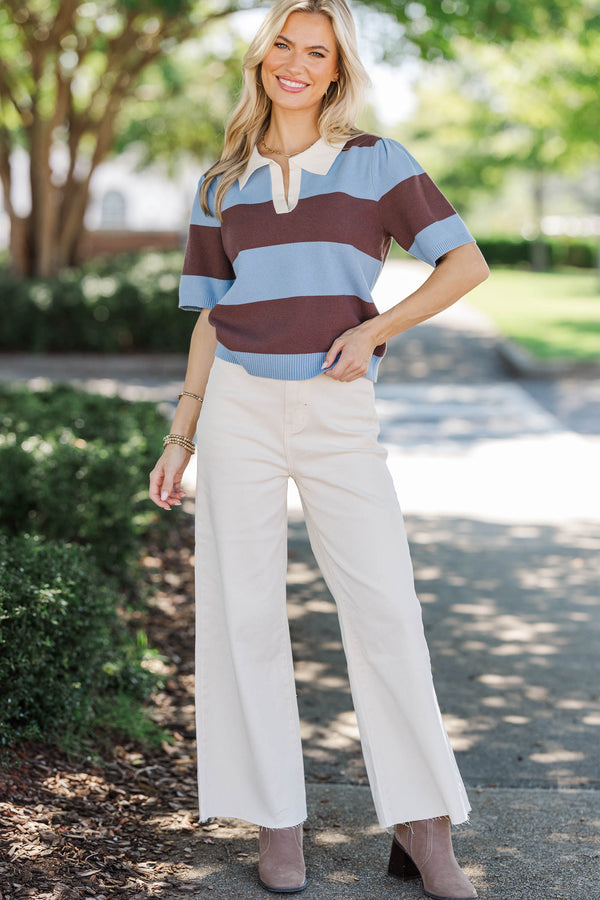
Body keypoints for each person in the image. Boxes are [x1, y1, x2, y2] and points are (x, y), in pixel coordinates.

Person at [149, 0, 489, 895]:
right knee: (244, 612)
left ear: (336, 70)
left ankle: (424, 827)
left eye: (315, 52)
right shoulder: (222, 181)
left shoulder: (379, 161)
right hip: (237, 409)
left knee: (385, 610)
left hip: (338, 410)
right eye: (281, 48)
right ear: (261, 58)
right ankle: (277, 822)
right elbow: (211, 321)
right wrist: (180, 433)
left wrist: (379, 332)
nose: (294, 64)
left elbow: (464, 264)